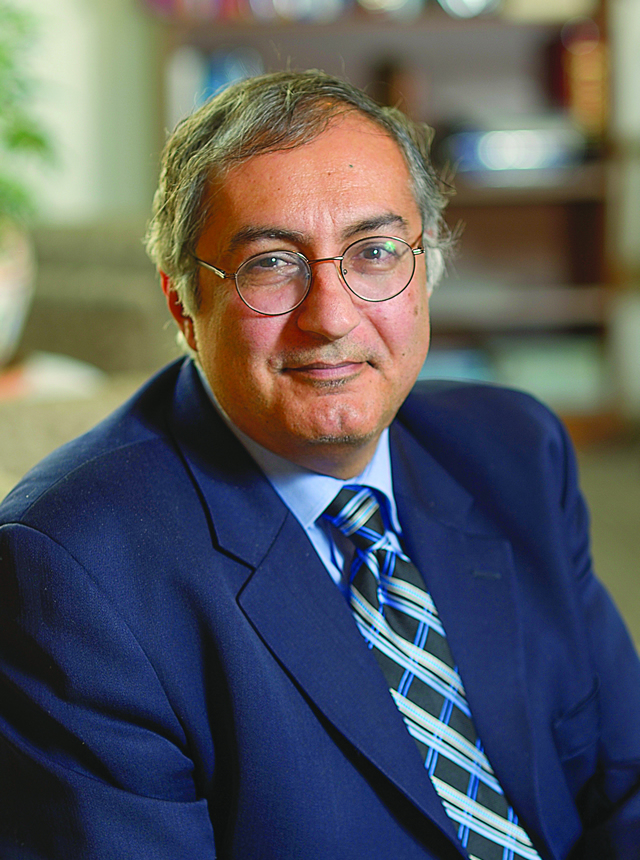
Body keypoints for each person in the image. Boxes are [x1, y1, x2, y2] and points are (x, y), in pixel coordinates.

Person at [0, 70, 639, 860]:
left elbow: (626, 781)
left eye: (373, 252)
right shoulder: (69, 573)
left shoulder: (513, 452)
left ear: (426, 269)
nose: (331, 316)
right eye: (271, 262)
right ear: (182, 305)